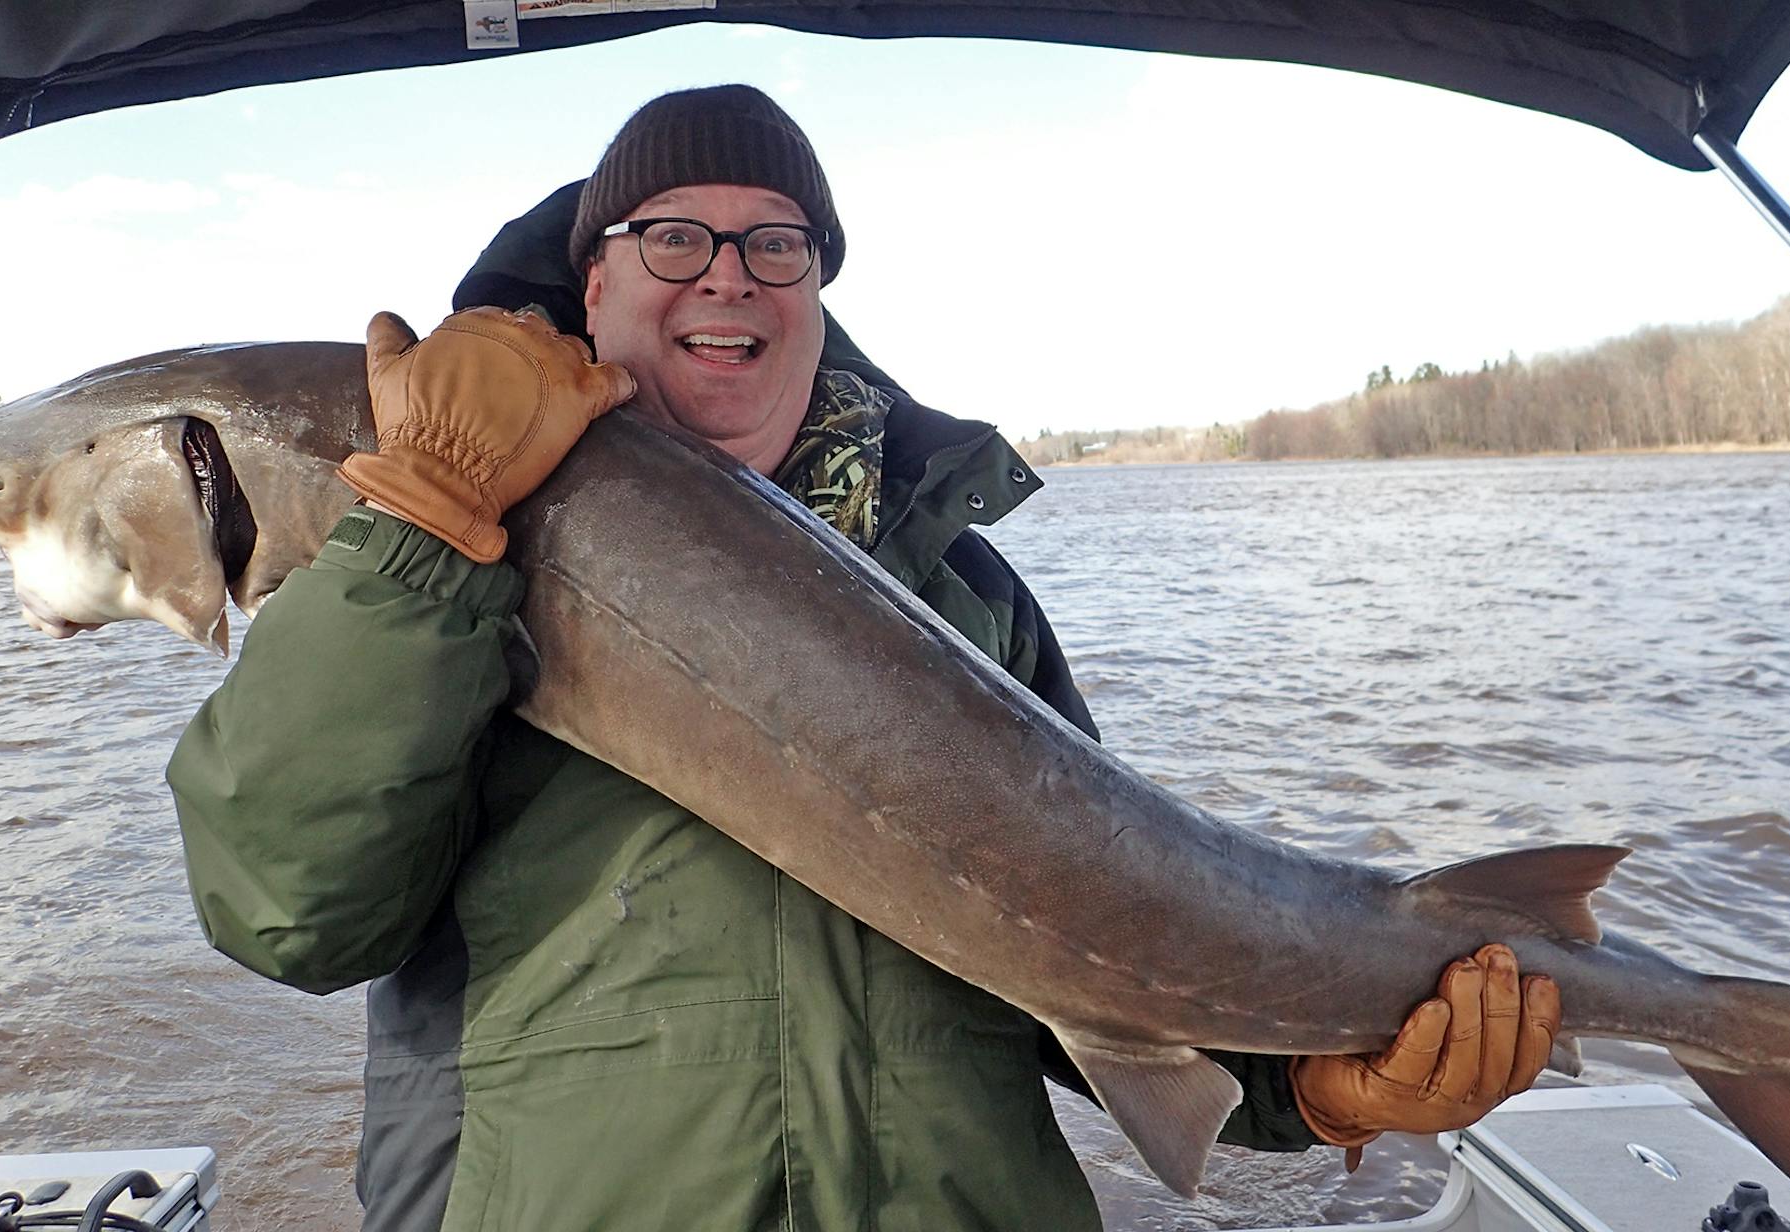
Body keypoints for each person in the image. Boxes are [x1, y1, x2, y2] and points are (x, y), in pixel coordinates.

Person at [167, 84, 1559, 1231]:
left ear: (818, 291)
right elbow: (288, 909)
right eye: (673, 237)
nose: (728, 273)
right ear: (595, 282)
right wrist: (424, 535)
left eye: (778, 244)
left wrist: (1319, 1087)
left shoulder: (963, 591)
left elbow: (1104, 933)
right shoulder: (419, 561)